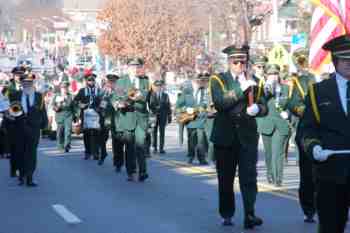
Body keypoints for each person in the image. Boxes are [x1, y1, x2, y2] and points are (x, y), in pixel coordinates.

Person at [209, 44, 267, 229]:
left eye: (243, 61)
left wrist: (258, 109)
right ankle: (227, 213)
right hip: (225, 137)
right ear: (229, 62)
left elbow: (265, 104)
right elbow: (219, 103)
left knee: (249, 178)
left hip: (247, 136)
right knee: (225, 179)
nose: (239, 65)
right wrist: (240, 89)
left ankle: (250, 214)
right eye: (235, 61)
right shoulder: (218, 79)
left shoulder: (255, 80)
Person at [299, 34, 350, 233]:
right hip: (331, 171)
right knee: (331, 226)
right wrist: (314, 147)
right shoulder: (318, 91)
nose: (349, 63)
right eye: (344, 59)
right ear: (335, 61)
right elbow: (307, 129)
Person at [289, 48, 317, 223]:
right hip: (309, 131)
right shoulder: (301, 81)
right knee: (308, 174)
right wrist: (311, 112)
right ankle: (309, 208)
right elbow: (293, 103)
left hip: (335, 133)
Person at [7, 73, 48, 187]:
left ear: (33, 83)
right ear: (21, 83)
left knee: (31, 153)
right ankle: (21, 175)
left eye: (29, 82)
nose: (27, 84)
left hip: (33, 129)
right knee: (20, 152)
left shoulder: (39, 96)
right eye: (25, 82)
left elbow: (42, 111)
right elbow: (11, 113)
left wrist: (44, 125)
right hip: (19, 128)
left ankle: (29, 177)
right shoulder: (15, 95)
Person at [257, 64, 291, 186]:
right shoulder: (262, 89)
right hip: (266, 123)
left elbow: (291, 105)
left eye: (276, 74)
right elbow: (259, 104)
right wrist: (267, 90)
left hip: (281, 124)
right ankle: (270, 173)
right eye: (271, 74)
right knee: (269, 153)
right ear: (266, 75)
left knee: (278, 152)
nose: (274, 77)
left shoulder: (286, 88)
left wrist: (287, 112)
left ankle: (278, 178)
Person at [74, 71, 103, 161]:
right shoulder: (82, 91)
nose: (91, 82)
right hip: (86, 114)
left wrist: (101, 108)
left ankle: (96, 152)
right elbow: (75, 101)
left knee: (96, 133)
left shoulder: (99, 91)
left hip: (96, 114)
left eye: (93, 80)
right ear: (86, 81)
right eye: (89, 80)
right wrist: (80, 105)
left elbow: (104, 100)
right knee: (86, 134)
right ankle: (88, 152)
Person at [52, 78, 75, 152]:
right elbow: (53, 105)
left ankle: (67, 145)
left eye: (66, 88)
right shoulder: (57, 96)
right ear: (60, 88)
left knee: (68, 131)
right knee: (60, 132)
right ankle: (60, 146)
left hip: (68, 115)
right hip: (60, 114)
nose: (64, 89)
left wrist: (76, 116)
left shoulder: (70, 96)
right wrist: (57, 107)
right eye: (63, 88)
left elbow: (73, 107)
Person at [149, 80, 172, 154]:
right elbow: (150, 105)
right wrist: (155, 108)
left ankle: (161, 148)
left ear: (162, 87)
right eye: (157, 86)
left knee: (162, 132)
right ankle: (155, 148)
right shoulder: (152, 95)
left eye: (160, 86)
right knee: (154, 132)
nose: (159, 87)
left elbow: (168, 106)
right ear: (155, 87)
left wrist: (169, 116)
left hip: (163, 116)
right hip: (154, 116)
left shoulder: (166, 95)